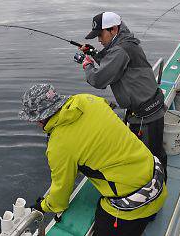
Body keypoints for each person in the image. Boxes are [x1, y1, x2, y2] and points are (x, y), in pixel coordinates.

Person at [19, 83, 167, 236]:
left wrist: (42, 206)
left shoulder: (58, 145)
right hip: (156, 175)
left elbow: (60, 196)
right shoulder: (87, 99)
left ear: (40, 118)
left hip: (135, 202)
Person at [79, 12, 167, 177]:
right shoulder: (124, 44)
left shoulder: (120, 50)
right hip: (146, 110)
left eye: (100, 34)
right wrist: (93, 53)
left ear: (113, 29)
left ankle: (154, 193)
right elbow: (112, 62)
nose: (99, 40)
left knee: (152, 157)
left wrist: (87, 65)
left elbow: (99, 79)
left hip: (146, 116)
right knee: (153, 153)